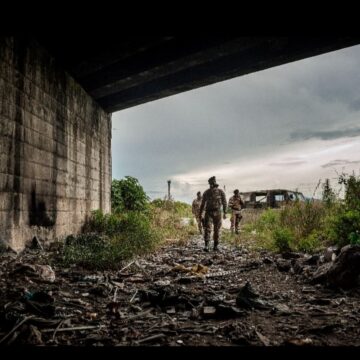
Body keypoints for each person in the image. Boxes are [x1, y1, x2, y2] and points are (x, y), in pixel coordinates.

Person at [200, 176, 227, 252]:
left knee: (217, 230)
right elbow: (202, 204)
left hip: (218, 212)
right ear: (210, 184)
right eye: (211, 183)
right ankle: (206, 245)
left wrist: (225, 212)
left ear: (215, 183)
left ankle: (215, 246)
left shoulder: (221, 191)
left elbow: (224, 202)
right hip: (208, 213)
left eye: (213, 183)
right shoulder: (206, 192)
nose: (212, 185)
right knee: (207, 229)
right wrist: (200, 213)